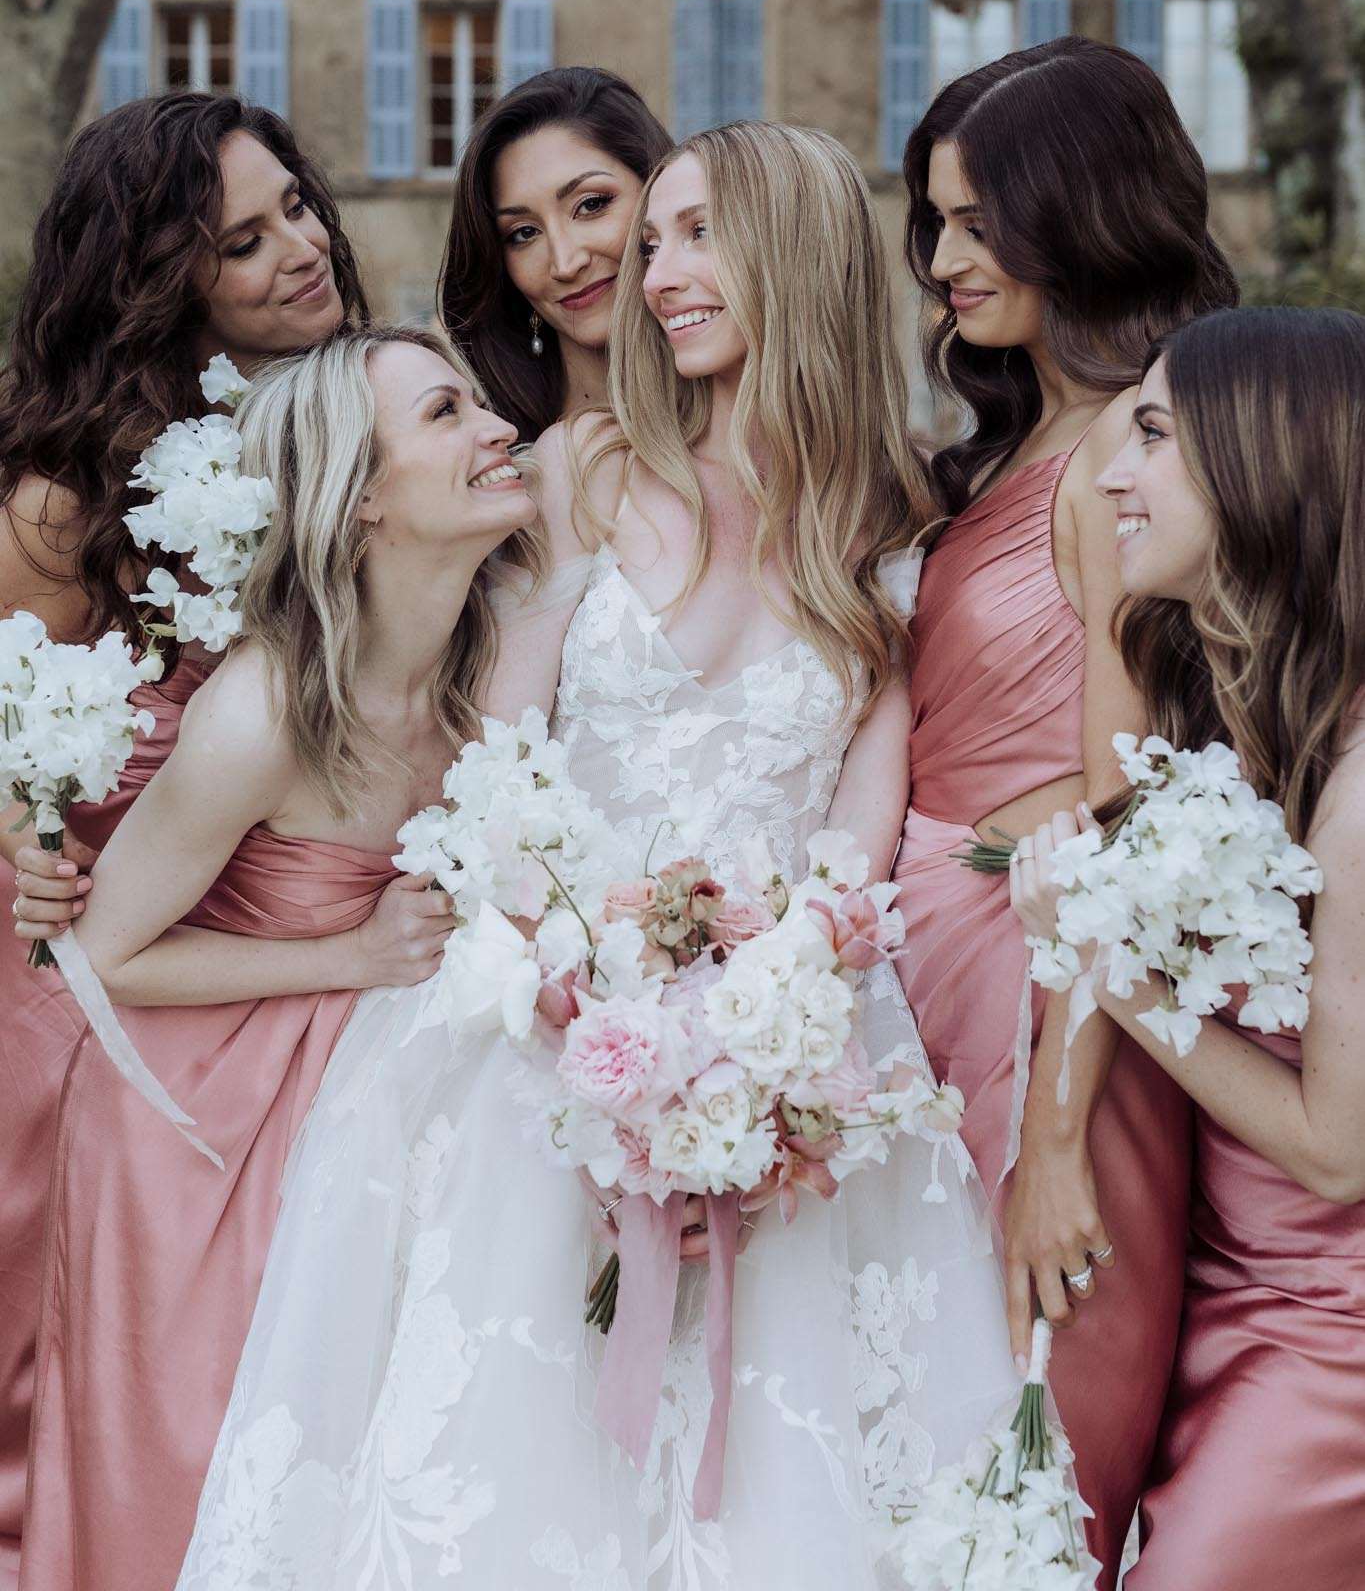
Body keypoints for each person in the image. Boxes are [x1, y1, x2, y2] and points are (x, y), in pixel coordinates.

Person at [175, 124, 1021, 1590]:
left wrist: (774, 1014)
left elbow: (858, 821)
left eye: (693, 238)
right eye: (654, 246)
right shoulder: (583, 469)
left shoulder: (891, 523)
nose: (656, 276)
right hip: (545, 1029)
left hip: (801, 1038)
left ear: (792, 256)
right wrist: (585, 986)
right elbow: (502, 758)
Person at [18, 328, 539, 1591]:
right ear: (361, 490)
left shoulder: (487, 659)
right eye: (447, 413)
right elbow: (95, 957)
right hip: (193, 1125)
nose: (498, 428)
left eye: (480, 402)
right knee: (213, 1462)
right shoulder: (263, 708)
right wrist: (353, 950)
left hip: (372, 1090)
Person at [0, 90, 368, 1583]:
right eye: (240, 239)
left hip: (310, 998)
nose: (302, 248)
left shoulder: (352, 432)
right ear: (158, 286)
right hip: (89, 1003)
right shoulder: (63, 508)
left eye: (296, 206)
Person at [890, 37, 1238, 1585]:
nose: (948, 259)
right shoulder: (1001, 453)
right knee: (916, 1453)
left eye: (981, 221)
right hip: (924, 994)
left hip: (1067, 1015)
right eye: (938, 224)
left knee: (1037, 1472)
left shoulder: (1136, 458)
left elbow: (1132, 827)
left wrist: (1054, 1138)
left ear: (1081, 211)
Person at [1010, 306, 1365, 1591]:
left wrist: (1116, 968)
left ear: (1266, 459)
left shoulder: (1361, 783)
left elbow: (1338, 1147)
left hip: (1332, 1337)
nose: (1111, 470)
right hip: (1218, 1293)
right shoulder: (1225, 713)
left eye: (1153, 433)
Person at [438, 65, 673, 440]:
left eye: (592, 204)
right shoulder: (500, 457)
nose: (565, 264)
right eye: (524, 233)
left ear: (658, 187)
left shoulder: (762, 417)